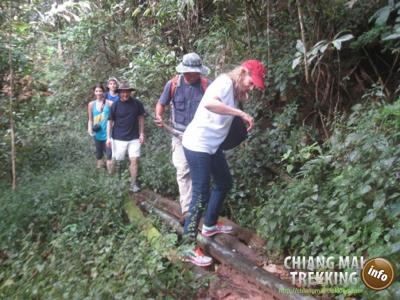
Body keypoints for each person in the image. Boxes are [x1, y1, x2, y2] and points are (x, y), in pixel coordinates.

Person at [181, 60, 266, 267]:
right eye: (251, 81)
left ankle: (209, 225)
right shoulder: (224, 82)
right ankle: (188, 246)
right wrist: (240, 113)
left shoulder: (235, 90)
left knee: (224, 182)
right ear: (243, 72)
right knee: (201, 193)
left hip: (212, 146)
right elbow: (210, 103)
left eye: (255, 85)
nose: (252, 86)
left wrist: (240, 107)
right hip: (197, 144)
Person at [155, 52, 211, 221]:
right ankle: (187, 209)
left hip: (200, 136)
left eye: (192, 73)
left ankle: (200, 205)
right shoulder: (173, 84)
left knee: (200, 171)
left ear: (199, 72)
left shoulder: (207, 86)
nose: (189, 75)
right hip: (178, 135)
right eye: (186, 72)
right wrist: (159, 115)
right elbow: (161, 103)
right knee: (183, 169)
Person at [106, 81, 145, 192]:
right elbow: (110, 122)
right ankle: (112, 181)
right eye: (123, 92)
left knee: (134, 160)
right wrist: (108, 137)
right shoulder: (115, 105)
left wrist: (142, 133)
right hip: (118, 138)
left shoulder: (137, 104)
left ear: (130, 92)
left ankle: (133, 183)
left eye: (127, 92)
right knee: (115, 160)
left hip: (134, 138)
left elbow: (141, 118)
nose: (125, 94)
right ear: (119, 93)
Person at [87, 83, 113, 173]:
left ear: (103, 92)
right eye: (96, 91)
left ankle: (111, 175)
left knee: (109, 155)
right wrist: (89, 129)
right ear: (94, 92)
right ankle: (101, 175)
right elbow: (90, 119)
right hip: (97, 133)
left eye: (100, 91)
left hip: (108, 134)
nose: (98, 93)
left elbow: (114, 119)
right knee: (99, 155)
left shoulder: (109, 103)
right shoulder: (91, 104)